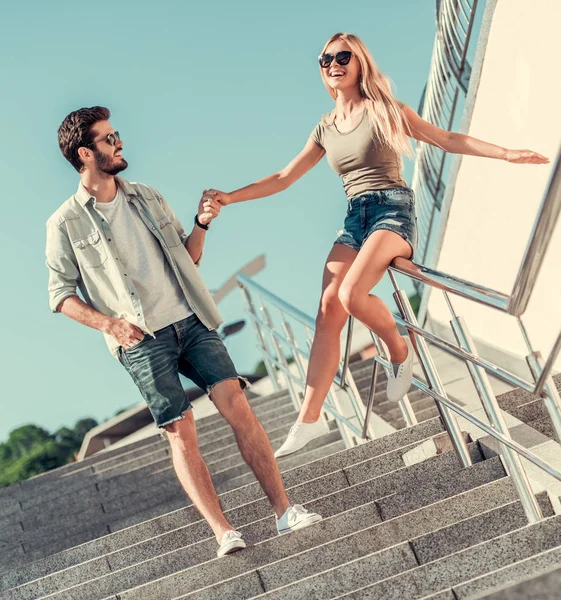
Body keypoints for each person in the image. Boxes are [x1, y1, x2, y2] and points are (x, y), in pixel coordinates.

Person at [201, 32, 549, 459]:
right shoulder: (325, 128)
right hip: (354, 218)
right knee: (329, 306)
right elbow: (283, 177)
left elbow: (446, 139)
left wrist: (506, 153)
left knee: (351, 294)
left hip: (392, 210)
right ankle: (308, 420)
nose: (333, 64)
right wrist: (230, 197)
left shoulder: (385, 110)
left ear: (359, 61)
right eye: (325, 58)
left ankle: (399, 348)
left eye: (343, 56)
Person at [46, 106, 321, 558]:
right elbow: (60, 295)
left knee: (236, 402)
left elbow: (189, 258)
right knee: (180, 429)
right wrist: (109, 323)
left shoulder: (147, 196)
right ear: (84, 153)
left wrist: (202, 223)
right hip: (138, 341)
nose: (119, 142)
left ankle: (285, 510)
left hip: (191, 319)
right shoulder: (65, 223)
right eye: (109, 138)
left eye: (117, 134)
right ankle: (223, 532)